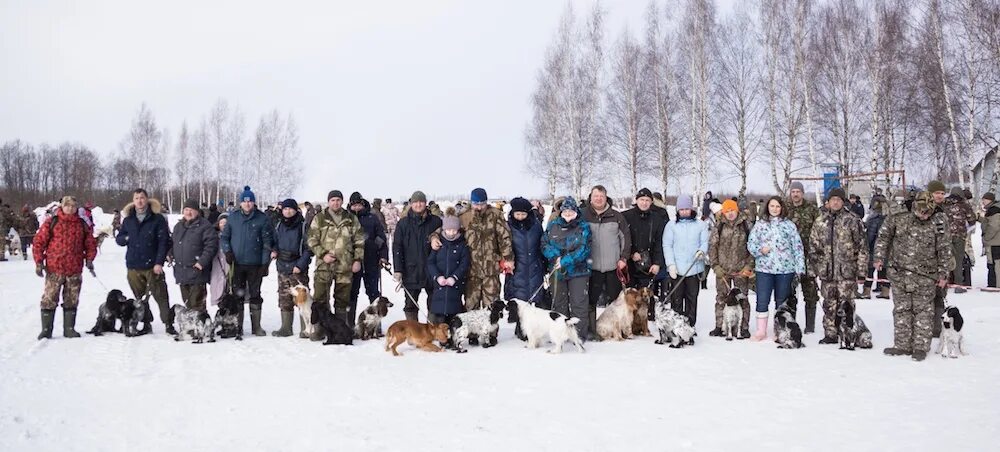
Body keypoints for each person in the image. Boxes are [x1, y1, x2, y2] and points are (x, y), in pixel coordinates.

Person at [874, 192, 952, 361]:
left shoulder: (939, 219)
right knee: (902, 309)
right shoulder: (898, 215)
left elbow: (945, 248)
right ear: (915, 206)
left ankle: (920, 347)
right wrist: (879, 257)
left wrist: (944, 273)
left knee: (923, 311)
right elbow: (884, 236)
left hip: (926, 274)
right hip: (899, 271)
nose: (925, 216)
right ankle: (902, 345)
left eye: (928, 213)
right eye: (922, 212)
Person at [431, 188, 513, 310]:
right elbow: (448, 228)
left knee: (491, 308)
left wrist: (508, 258)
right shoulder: (464, 216)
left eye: (482, 204)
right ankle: (471, 330)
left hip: (491, 269)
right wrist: (434, 237)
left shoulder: (495, 215)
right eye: (476, 204)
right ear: (471, 202)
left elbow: (505, 237)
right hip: (471, 270)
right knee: (470, 307)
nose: (479, 207)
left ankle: (490, 330)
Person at [32, 196, 98, 339]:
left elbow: (90, 243)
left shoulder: (82, 224)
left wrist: (90, 259)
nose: (70, 208)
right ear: (62, 206)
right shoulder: (52, 222)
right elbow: (39, 242)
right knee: (49, 299)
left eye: (73, 206)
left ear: (76, 208)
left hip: (74, 269)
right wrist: (38, 262)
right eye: (67, 205)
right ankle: (46, 329)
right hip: (54, 268)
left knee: (71, 299)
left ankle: (69, 329)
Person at [809, 188, 868, 345]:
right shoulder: (820, 221)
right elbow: (814, 248)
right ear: (828, 202)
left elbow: (862, 247)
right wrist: (813, 269)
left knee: (847, 303)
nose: (835, 202)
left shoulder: (853, 220)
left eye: (838, 199)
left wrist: (861, 271)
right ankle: (830, 333)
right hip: (827, 272)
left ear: (843, 202)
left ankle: (848, 333)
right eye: (832, 199)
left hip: (846, 272)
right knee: (829, 303)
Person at [115, 188, 174, 334]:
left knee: (161, 295)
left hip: (152, 265)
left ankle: (168, 324)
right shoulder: (128, 220)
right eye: (136, 198)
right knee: (140, 299)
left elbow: (163, 242)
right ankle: (146, 323)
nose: (139, 201)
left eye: (142, 197)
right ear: (133, 201)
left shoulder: (157, 219)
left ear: (147, 200)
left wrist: (159, 262)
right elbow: (119, 239)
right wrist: (127, 238)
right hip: (134, 265)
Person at [747, 196, 805, 340]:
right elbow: (751, 244)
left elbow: (798, 247)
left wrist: (800, 267)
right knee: (762, 299)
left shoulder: (789, 225)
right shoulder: (760, 225)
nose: (774, 209)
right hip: (764, 269)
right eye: (772, 206)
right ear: (767, 207)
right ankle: (761, 331)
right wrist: (760, 250)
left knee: (781, 301)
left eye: (777, 206)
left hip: (785, 270)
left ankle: (780, 330)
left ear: (782, 208)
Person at [221, 186, 276, 337]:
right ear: (240, 203)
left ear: (253, 203)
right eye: (245, 202)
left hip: (255, 265)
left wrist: (265, 263)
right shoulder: (233, 217)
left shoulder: (262, 218)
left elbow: (267, 242)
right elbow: (224, 237)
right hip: (237, 264)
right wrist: (227, 251)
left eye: (250, 201)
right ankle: (238, 326)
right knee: (237, 295)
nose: (247, 204)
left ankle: (256, 327)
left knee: (255, 295)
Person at [307, 190, 365, 334]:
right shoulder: (319, 218)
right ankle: (319, 329)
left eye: (338, 200)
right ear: (328, 202)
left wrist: (357, 260)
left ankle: (339, 330)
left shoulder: (351, 218)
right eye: (332, 200)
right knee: (320, 298)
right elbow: (311, 240)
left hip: (345, 266)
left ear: (342, 201)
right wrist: (323, 254)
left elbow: (359, 240)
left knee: (342, 301)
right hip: (324, 266)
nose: (335, 203)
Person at [582, 185, 632, 340]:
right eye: (595, 196)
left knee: (616, 301)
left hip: (613, 266)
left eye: (601, 196)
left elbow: (625, 238)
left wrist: (624, 258)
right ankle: (592, 330)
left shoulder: (616, 216)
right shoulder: (583, 215)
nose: (598, 199)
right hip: (592, 267)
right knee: (591, 300)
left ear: (606, 197)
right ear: (591, 198)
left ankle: (616, 329)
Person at [542, 196, 592, 340]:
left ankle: (578, 335)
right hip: (557, 271)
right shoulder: (553, 225)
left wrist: (565, 260)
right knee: (559, 304)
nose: (568, 214)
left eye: (571, 211)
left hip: (579, 271)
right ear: (561, 212)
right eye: (565, 211)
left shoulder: (583, 227)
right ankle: (560, 334)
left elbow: (584, 249)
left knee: (579, 304)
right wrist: (555, 256)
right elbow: (544, 244)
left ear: (576, 211)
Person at [662, 194, 708, 335]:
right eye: (681, 209)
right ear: (677, 210)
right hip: (677, 269)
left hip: (694, 268)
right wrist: (671, 265)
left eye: (687, 209)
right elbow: (667, 245)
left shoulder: (700, 225)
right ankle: (677, 325)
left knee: (691, 298)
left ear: (691, 209)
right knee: (677, 299)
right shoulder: (671, 225)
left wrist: (701, 251)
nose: (684, 212)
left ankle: (690, 325)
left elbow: (705, 242)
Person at [392, 191, 442, 321]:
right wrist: (398, 269)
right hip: (411, 270)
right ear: (411, 204)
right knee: (410, 304)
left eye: (421, 202)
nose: (418, 204)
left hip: (432, 269)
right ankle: (413, 331)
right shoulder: (403, 224)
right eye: (415, 202)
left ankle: (432, 329)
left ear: (426, 203)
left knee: (434, 302)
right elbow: (397, 247)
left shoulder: (436, 221)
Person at [708, 199, 753, 339]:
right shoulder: (719, 226)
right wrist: (715, 266)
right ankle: (720, 326)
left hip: (741, 270)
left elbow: (753, 247)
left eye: (732, 210)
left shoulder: (746, 225)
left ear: (737, 210)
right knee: (721, 299)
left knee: (743, 299)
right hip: (723, 271)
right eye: (727, 211)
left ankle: (743, 328)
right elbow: (712, 247)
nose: (730, 213)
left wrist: (749, 265)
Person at [272, 198, 313, 337]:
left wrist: (300, 265)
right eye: (285, 209)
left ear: (296, 210)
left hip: (297, 268)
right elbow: (274, 242)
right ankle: (286, 327)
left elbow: (309, 248)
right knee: (284, 298)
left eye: (290, 209)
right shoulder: (278, 225)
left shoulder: (303, 225)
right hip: (282, 266)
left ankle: (305, 328)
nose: (287, 211)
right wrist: (274, 251)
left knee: (303, 299)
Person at [169, 199, 218, 314]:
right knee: (188, 303)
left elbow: (211, 246)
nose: (188, 212)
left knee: (197, 304)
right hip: (181, 272)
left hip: (197, 272)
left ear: (197, 211)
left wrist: (201, 262)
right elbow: (172, 243)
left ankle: (201, 328)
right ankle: (191, 327)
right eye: (186, 210)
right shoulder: (178, 226)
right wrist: (170, 253)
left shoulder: (205, 226)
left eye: (191, 210)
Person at [347, 193, 388, 328]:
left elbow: (381, 238)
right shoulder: (347, 218)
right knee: (352, 293)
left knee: (373, 293)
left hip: (371, 260)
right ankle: (350, 324)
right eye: (354, 205)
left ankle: (377, 324)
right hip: (352, 263)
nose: (356, 207)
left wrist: (383, 256)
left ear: (363, 204)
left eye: (358, 204)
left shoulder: (372, 218)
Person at [786, 181, 821, 333]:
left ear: (802, 193)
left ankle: (810, 326)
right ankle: (791, 324)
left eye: (798, 191)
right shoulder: (785, 209)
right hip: (789, 258)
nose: (795, 194)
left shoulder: (812, 209)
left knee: (810, 292)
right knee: (789, 293)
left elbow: (820, 231)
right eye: (793, 191)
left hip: (809, 258)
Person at [426, 213, 470, 327]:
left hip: (454, 285)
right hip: (439, 285)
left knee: (454, 312)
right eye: (449, 230)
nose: (452, 233)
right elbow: (430, 262)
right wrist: (437, 276)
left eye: (454, 230)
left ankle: (453, 335)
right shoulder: (438, 244)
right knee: (439, 312)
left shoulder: (462, 245)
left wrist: (455, 277)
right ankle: (441, 335)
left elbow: (464, 264)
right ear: (444, 229)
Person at [504, 197, 547, 306]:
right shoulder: (508, 227)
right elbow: (504, 247)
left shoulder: (536, 225)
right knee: (518, 304)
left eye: (523, 214)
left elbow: (542, 244)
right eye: (517, 214)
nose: (520, 217)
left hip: (535, 268)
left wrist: (544, 263)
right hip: (516, 269)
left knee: (535, 302)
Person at [622, 188, 665, 291]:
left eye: (647, 200)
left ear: (651, 202)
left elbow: (659, 242)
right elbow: (621, 239)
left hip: (647, 265)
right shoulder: (626, 216)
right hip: (629, 265)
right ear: (636, 200)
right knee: (630, 301)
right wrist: (631, 253)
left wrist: (657, 263)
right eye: (642, 199)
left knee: (647, 300)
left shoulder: (657, 218)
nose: (644, 203)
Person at [942, 186, 976, 293]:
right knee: (958, 260)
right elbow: (972, 219)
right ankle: (958, 285)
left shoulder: (944, 204)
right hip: (959, 236)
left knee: (944, 260)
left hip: (944, 236)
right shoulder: (964, 204)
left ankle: (944, 284)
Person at [862, 198, 889, 299]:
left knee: (869, 270)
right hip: (887, 249)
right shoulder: (889, 218)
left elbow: (870, 235)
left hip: (874, 248)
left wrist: (866, 246)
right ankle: (885, 291)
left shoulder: (874, 219)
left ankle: (866, 291)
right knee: (884, 270)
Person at [209, 213, 230, 306]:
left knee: (231, 297)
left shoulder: (234, 236)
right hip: (217, 268)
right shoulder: (213, 236)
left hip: (230, 268)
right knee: (219, 293)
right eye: (221, 222)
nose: (224, 224)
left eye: (226, 222)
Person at [980, 192, 999, 287]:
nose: (983, 201)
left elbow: (994, 226)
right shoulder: (992, 210)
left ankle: (994, 285)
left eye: (984, 199)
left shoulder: (995, 211)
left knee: (994, 265)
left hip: (994, 243)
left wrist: (986, 238)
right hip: (994, 242)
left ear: (990, 200)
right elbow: (987, 222)